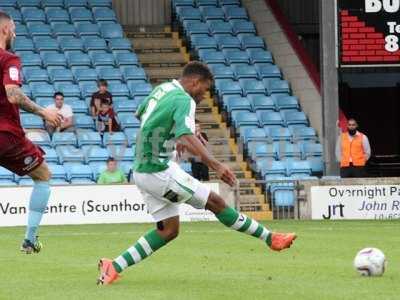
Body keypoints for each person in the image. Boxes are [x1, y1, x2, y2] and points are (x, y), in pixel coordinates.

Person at [96, 61, 296, 285]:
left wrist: (174, 134)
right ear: (195, 82)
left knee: (169, 230)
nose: (204, 95)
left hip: (142, 170)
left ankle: (113, 266)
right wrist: (216, 165)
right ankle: (270, 238)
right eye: (205, 89)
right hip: (158, 170)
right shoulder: (184, 99)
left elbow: (140, 114)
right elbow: (186, 135)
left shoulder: (163, 89)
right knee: (215, 202)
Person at [0, 12, 62, 253]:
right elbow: (13, 94)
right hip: (5, 134)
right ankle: (30, 239)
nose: (15, 33)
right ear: (5, 30)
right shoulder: (8, 59)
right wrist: (44, 113)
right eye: (13, 29)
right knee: (43, 175)